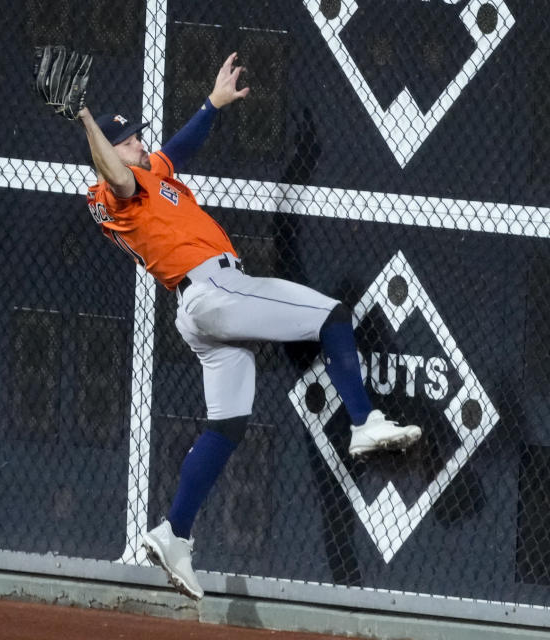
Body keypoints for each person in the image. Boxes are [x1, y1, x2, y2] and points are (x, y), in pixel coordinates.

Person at [77, 53, 422, 600]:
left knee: (228, 425)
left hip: (201, 311)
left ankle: (174, 535)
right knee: (332, 315)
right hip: (214, 289)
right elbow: (115, 174)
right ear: (109, 152)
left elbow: (177, 149)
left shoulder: (152, 174)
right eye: (131, 140)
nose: (142, 144)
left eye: (139, 139)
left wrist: (213, 103)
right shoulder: (113, 191)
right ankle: (364, 422)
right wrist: (86, 118)